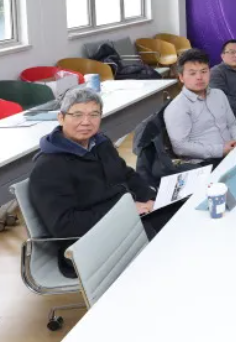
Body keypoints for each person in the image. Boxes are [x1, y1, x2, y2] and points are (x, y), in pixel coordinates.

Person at [29, 87, 177, 278]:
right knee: (163, 247)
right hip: (85, 243)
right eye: (77, 115)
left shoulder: (100, 143)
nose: (86, 122)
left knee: (177, 215)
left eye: (94, 114)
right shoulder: (49, 167)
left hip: (122, 222)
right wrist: (127, 212)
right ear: (61, 118)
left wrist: (151, 199)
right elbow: (64, 225)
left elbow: (126, 175)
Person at [164, 48, 236, 162]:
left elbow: (232, 124)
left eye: (204, 71)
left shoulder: (219, 94)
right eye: (192, 73)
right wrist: (220, 150)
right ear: (181, 77)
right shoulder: (177, 107)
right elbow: (180, 147)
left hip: (234, 153)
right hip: (206, 163)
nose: (199, 77)